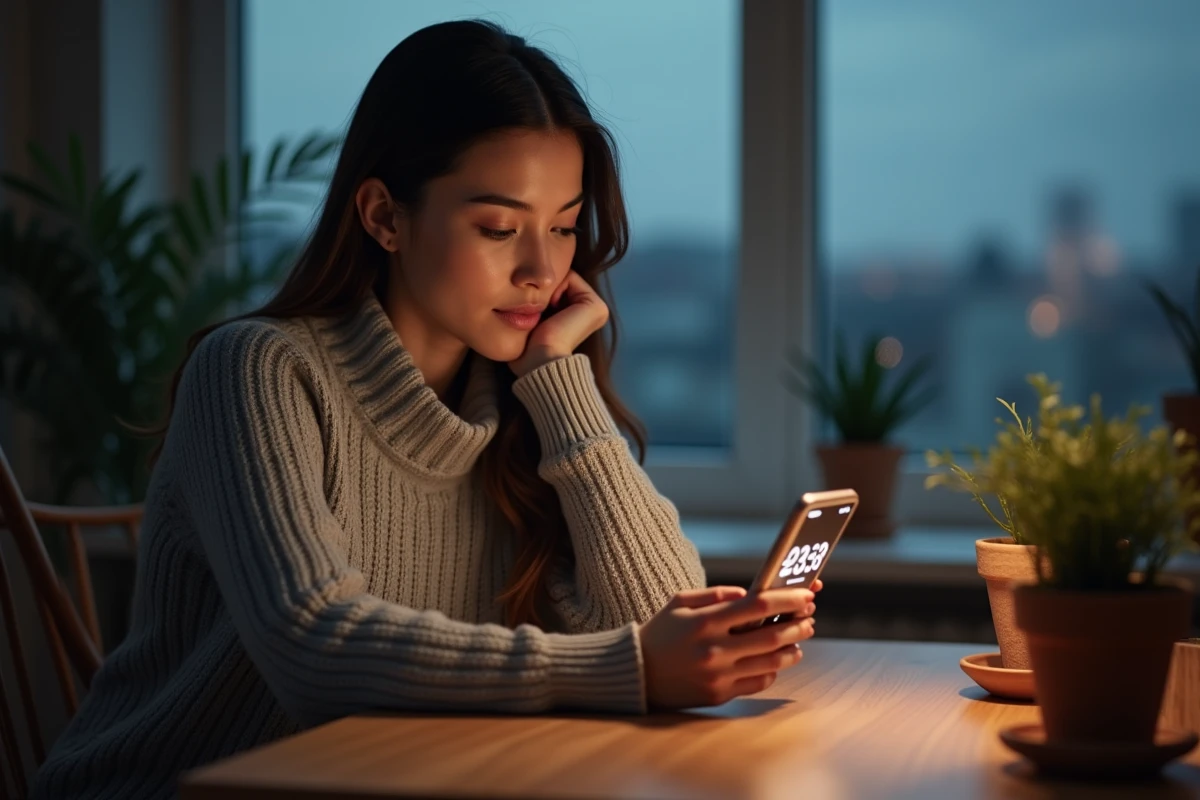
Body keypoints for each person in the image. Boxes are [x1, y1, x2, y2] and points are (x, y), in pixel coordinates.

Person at [31, 19, 818, 799]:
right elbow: (314, 648)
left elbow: (658, 618)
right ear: (384, 216)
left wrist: (560, 384)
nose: (541, 269)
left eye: (563, 227)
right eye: (498, 228)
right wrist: (626, 667)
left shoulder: (522, 405)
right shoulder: (258, 370)